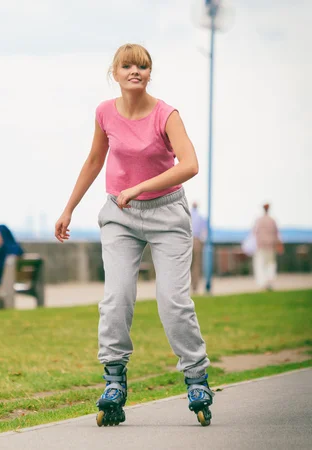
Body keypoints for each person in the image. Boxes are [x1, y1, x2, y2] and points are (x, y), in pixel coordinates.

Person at [55, 44, 213, 427]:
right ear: (115, 72)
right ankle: (114, 379)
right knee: (117, 297)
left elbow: (190, 164)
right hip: (121, 216)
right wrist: (69, 207)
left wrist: (139, 188)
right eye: (127, 65)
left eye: (142, 66)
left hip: (167, 214)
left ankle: (196, 377)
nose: (135, 71)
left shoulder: (166, 114)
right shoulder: (105, 112)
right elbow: (95, 159)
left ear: (149, 73)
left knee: (172, 301)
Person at [252, 203, 283, 291]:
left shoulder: (259, 220)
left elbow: (255, 232)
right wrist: (279, 245)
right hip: (271, 246)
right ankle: (269, 282)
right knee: (270, 264)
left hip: (262, 246)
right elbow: (277, 234)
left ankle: (263, 283)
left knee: (261, 264)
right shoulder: (272, 220)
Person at [190, 202, 207, 294]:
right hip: (197, 241)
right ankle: (195, 287)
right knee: (196, 265)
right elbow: (204, 233)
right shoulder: (201, 218)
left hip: (186, 240)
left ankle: (183, 287)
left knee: (185, 264)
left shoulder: (187, 214)